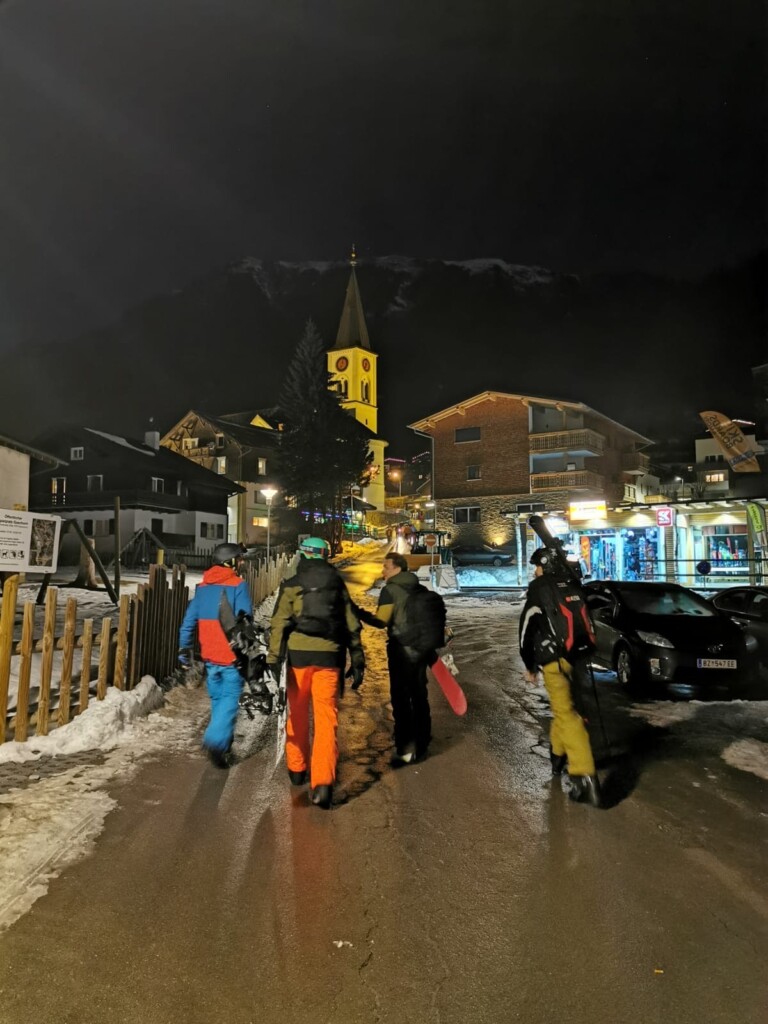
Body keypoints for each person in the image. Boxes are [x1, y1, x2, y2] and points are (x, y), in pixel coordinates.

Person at [267, 536, 365, 809]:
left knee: (296, 715)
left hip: (298, 659)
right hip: (329, 659)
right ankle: (322, 783)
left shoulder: (292, 584)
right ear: (325, 555)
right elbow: (351, 624)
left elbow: (278, 623)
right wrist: (357, 658)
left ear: (306, 555)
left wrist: (273, 659)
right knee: (326, 719)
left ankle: (297, 770)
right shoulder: (336, 584)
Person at [519, 547, 601, 807]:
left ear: (545, 565)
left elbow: (527, 627)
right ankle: (557, 757)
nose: (535, 571)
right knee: (563, 708)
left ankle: (585, 778)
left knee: (567, 715)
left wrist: (529, 664)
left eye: (537, 566)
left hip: (552, 659)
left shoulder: (540, 588)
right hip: (576, 656)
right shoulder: (572, 584)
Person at [178, 542, 252, 768]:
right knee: (229, 700)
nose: (241, 563)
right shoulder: (238, 585)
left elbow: (188, 623)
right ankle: (215, 742)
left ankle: (224, 742)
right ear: (230, 562)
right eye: (239, 559)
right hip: (231, 658)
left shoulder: (202, 588)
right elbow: (246, 621)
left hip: (209, 658)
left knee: (218, 700)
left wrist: (184, 651)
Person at [358, 551, 432, 766]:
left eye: (386, 566)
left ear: (397, 568)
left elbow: (381, 621)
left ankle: (405, 743)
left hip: (401, 649)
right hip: (420, 648)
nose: (383, 570)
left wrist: (360, 613)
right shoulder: (420, 588)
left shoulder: (389, 590)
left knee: (400, 696)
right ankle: (423, 741)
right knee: (419, 694)